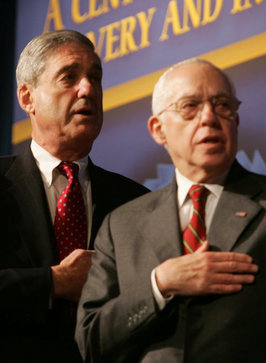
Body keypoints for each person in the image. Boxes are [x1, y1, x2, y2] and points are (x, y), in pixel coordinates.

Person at [0, 30, 148, 362]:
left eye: (94, 77)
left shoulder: (134, 199)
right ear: (27, 98)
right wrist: (53, 282)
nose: (87, 89)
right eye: (69, 77)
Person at [76, 58, 265, 362]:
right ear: (158, 129)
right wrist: (159, 285)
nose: (209, 118)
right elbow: (90, 340)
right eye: (189, 106)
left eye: (222, 105)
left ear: (236, 120)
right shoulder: (122, 225)